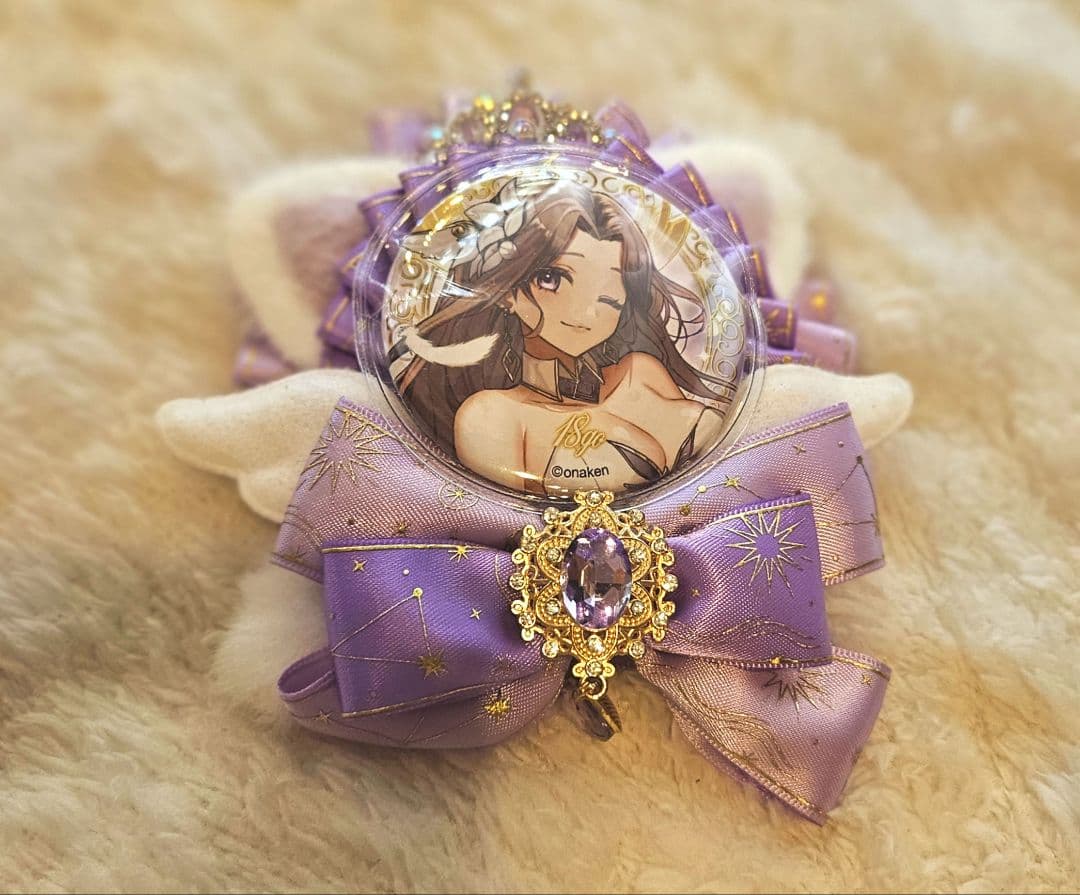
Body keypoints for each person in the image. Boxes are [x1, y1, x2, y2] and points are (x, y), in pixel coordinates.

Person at [394, 177, 729, 497]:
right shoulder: (491, 415)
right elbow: (506, 520)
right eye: (551, 279)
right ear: (506, 292)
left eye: (609, 296)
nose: (585, 313)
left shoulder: (642, 373)